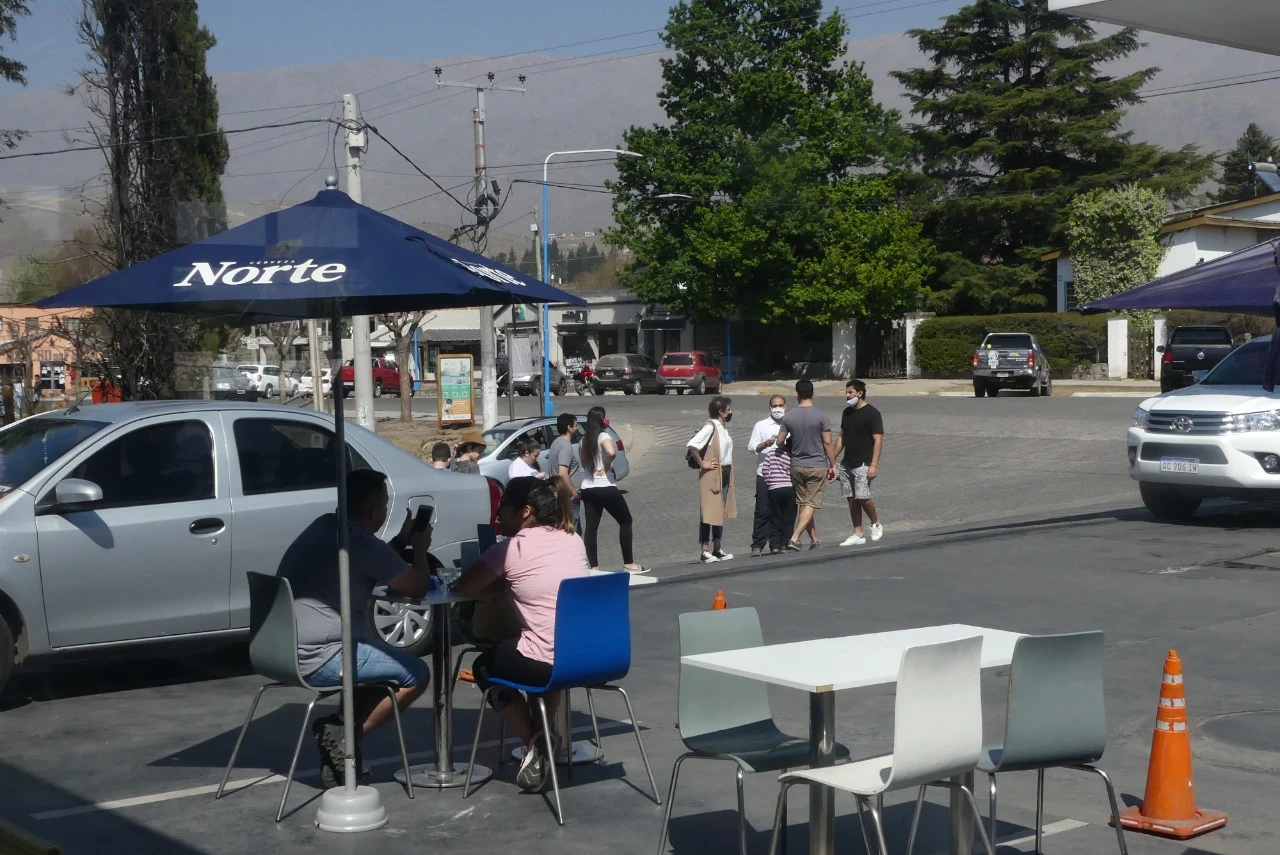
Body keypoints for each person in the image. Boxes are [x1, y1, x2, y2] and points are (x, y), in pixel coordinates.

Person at [277, 469, 438, 788]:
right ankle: (345, 739)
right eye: (385, 503)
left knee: (375, 661)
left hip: (281, 651)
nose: (387, 509)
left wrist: (401, 541)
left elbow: (376, 563)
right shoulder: (359, 542)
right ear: (372, 510)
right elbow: (417, 586)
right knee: (417, 674)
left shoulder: (325, 526)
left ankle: (340, 749)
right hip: (322, 657)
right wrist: (420, 549)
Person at [456, 476, 589, 793]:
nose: (497, 514)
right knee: (535, 650)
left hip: (547, 662)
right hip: (586, 657)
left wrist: (499, 584)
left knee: (484, 667)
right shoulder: (573, 539)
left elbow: (465, 586)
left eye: (503, 507)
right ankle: (542, 740)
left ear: (525, 511)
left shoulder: (510, 549)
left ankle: (536, 740)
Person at [579, 405, 649, 573]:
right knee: (625, 521)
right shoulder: (603, 435)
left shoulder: (583, 440)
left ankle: (594, 567)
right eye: (605, 417)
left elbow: (584, 463)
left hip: (588, 488)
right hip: (605, 486)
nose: (607, 420)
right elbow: (611, 452)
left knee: (591, 528)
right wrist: (607, 464)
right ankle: (629, 563)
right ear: (600, 420)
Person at [774, 378, 838, 552]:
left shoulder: (789, 417)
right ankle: (794, 538)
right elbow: (827, 442)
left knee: (804, 503)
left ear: (797, 394)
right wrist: (833, 464)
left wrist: (790, 443)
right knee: (811, 503)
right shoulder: (821, 416)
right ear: (812, 393)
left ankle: (814, 539)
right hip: (816, 464)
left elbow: (779, 442)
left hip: (796, 465)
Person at [834, 378, 885, 546]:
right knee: (851, 498)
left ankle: (876, 523)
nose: (847, 395)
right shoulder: (847, 413)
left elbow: (878, 439)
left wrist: (873, 465)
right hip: (847, 463)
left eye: (850, 392)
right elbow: (841, 437)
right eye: (846, 392)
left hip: (864, 463)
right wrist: (832, 459)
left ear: (860, 393)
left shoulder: (872, 413)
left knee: (863, 497)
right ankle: (858, 533)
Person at [687, 396, 736, 563]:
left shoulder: (723, 428)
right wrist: (703, 463)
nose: (730, 412)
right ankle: (705, 550)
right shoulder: (711, 427)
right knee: (708, 512)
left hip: (725, 473)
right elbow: (692, 445)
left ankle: (717, 548)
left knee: (719, 512)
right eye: (728, 409)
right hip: (712, 474)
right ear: (721, 412)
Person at [747, 395, 787, 556]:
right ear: (770, 408)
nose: (778, 409)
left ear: (786, 406)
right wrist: (763, 444)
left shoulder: (790, 424)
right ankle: (757, 544)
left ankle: (777, 544)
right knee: (762, 510)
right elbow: (751, 447)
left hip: (784, 475)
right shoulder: (761, 425)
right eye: (774, 406)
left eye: (780, 405)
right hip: (765, 473)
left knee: (780, 511)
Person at [547, 413, 583, 530]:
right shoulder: (565, 446)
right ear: (569, 427)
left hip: (561, 494)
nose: (577, 428)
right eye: (576, 425)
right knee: (571, 531)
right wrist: (574, 492)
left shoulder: (557, 442)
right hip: (568, 497)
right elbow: (562, 473)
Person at [763, 434, 797, 555]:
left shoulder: (771, 453)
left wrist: (769, 483)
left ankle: (774, 545)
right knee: (789, 518)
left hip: (774, 489)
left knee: (775, 517)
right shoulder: (792, 456)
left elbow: (765, 470)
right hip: (789, 488)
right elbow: (793, 473)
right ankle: (784, 544)